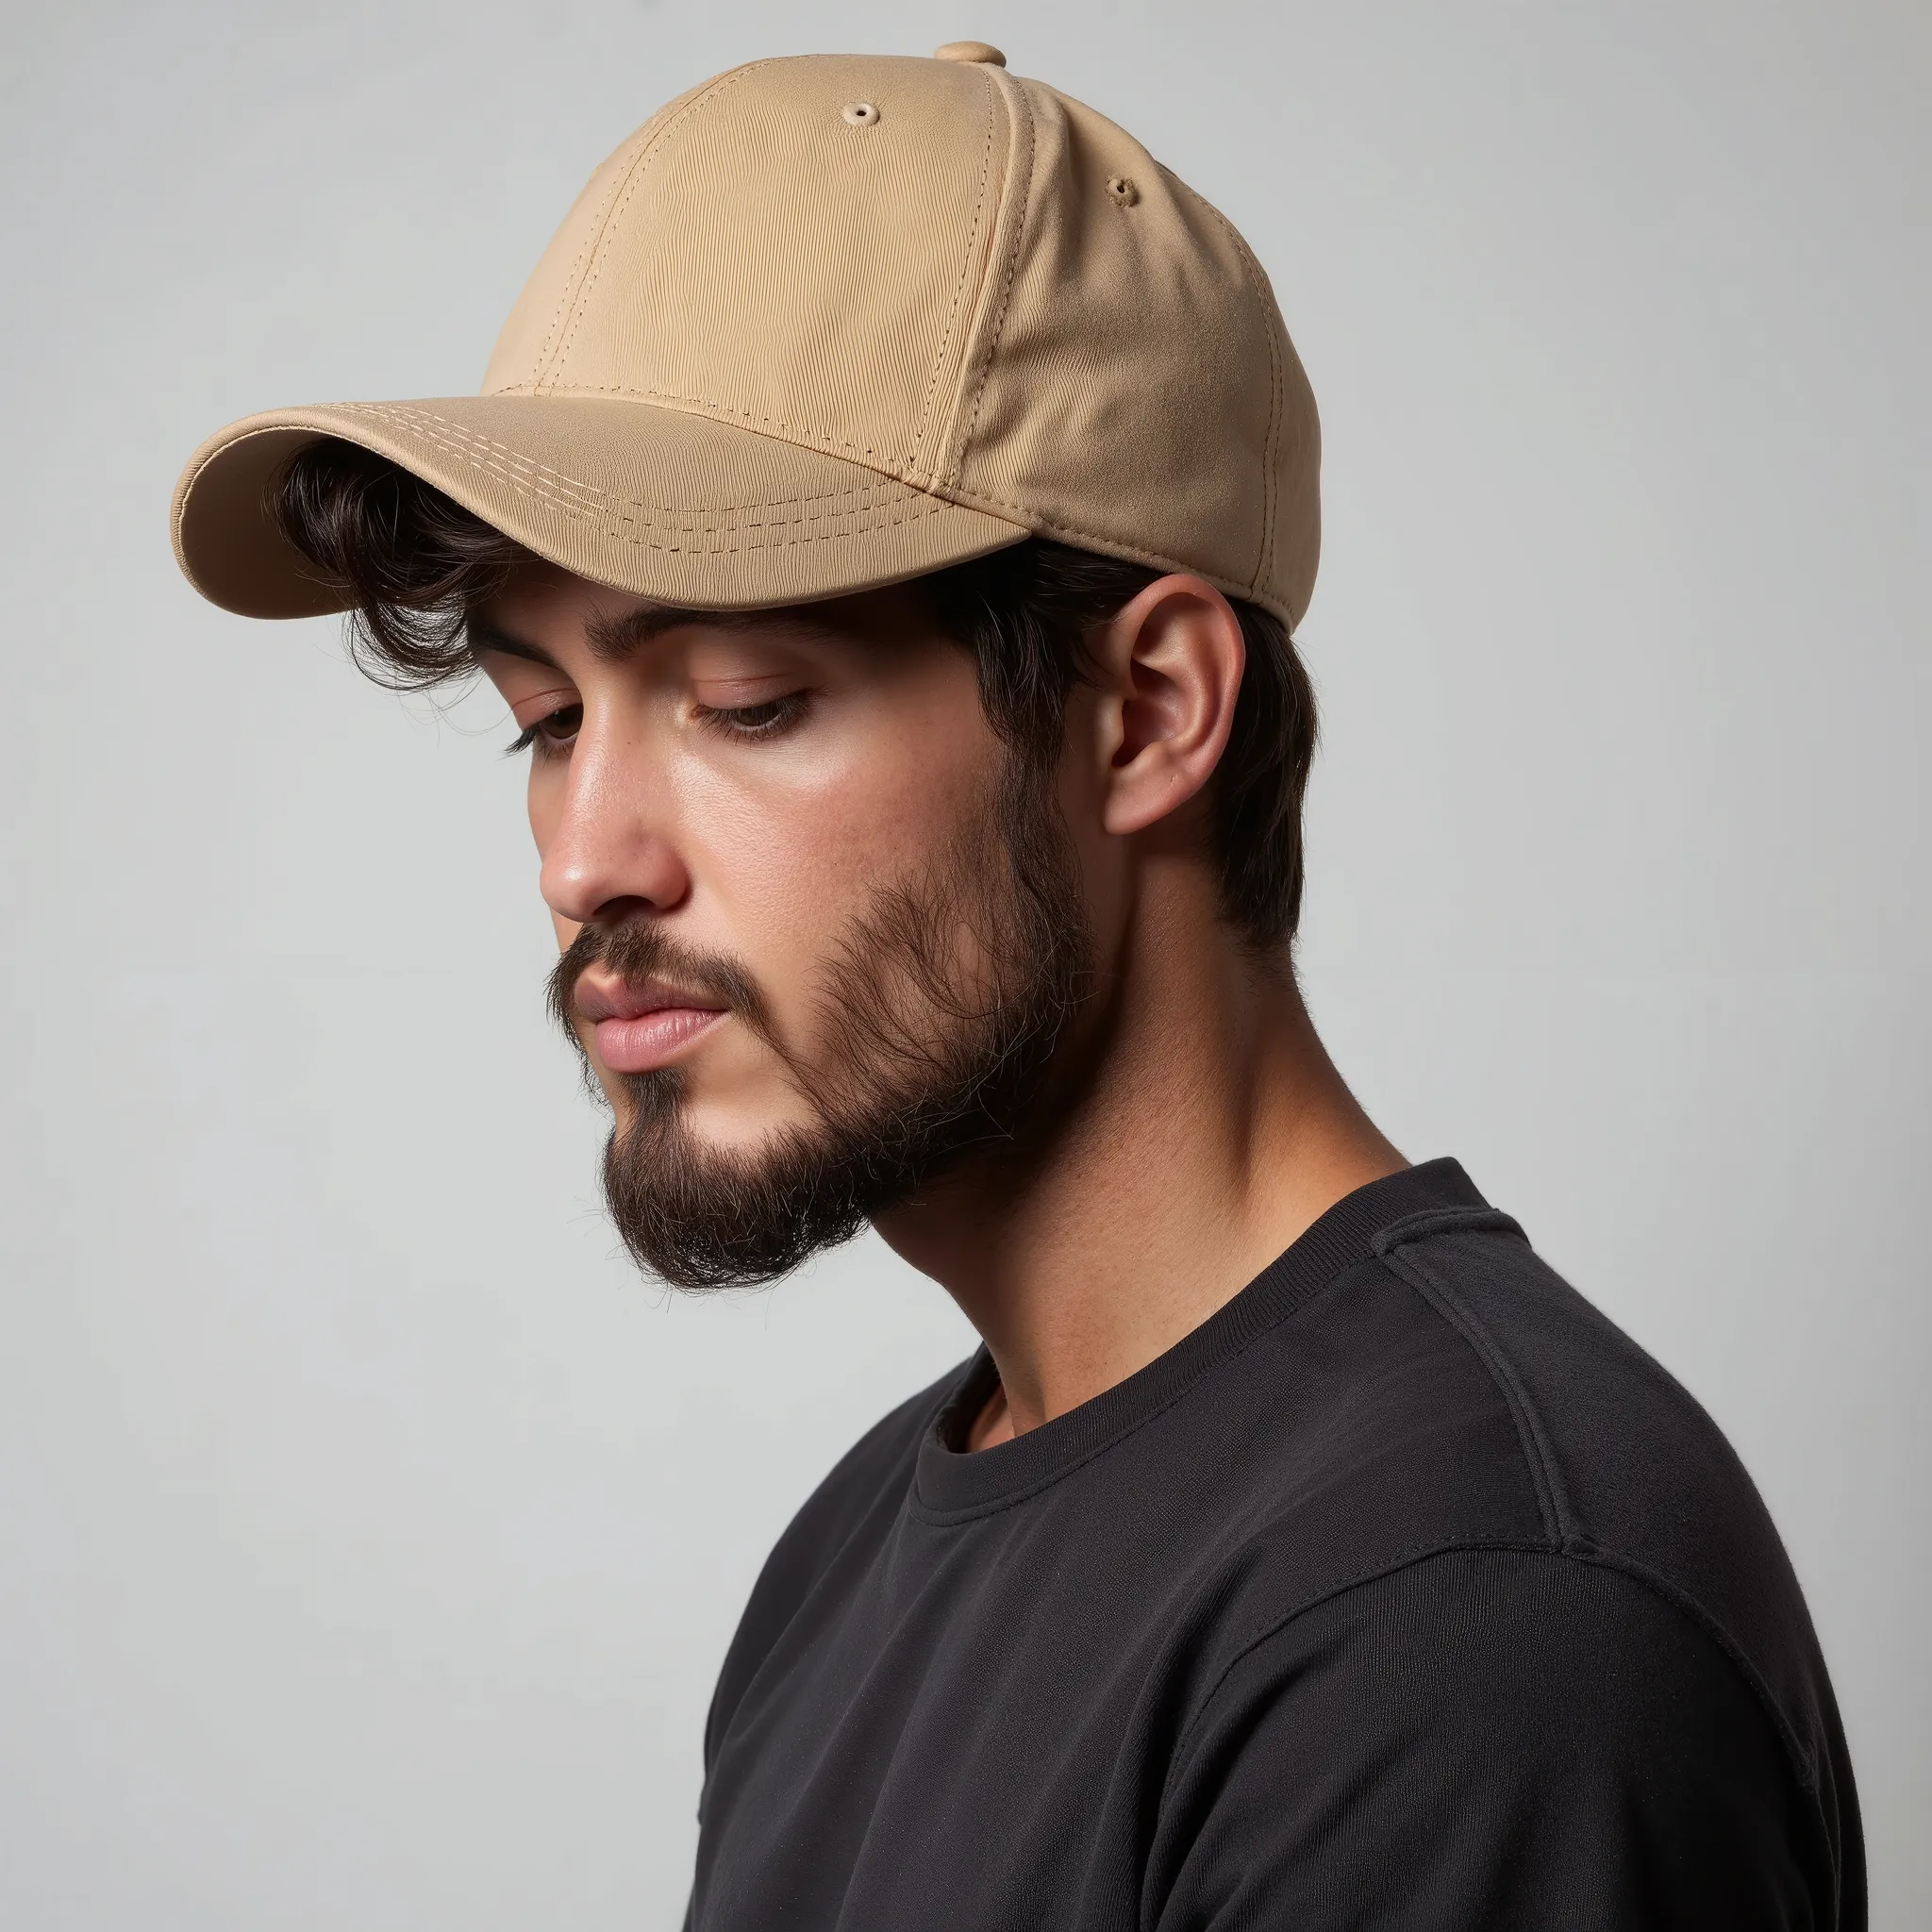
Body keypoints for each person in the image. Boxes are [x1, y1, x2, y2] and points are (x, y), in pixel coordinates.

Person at [170, 42, 1862, 1930]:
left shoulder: (1460, 1625)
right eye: (546, 721)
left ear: (1142, 712)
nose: (587, 859)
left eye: (744, 702)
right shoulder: (854, 1562)